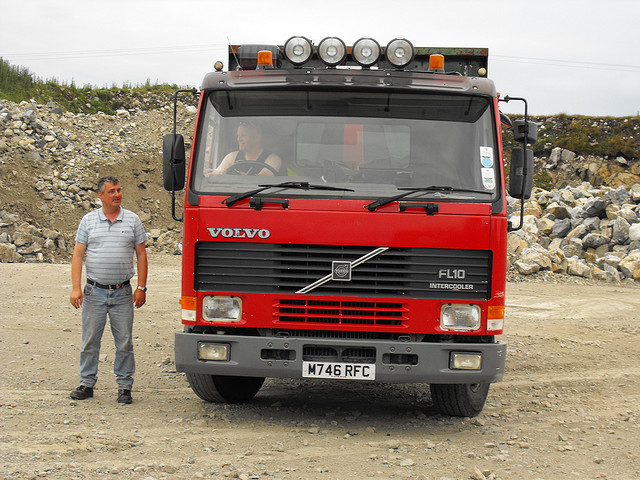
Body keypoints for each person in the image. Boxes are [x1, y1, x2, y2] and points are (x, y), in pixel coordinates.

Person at [69, 176, 148, 404]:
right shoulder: (88, 221)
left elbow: (141, 254)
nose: (117, 194)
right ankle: (86, 383)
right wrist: (76, 288)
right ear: (100, 196)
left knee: (124, 341)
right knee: (90, 340)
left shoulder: (132, 220)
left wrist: (141, 287)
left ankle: (124, 387)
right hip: (94, 292)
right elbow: (77, 255)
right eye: (112, 191)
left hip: (123, 293)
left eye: (119, 190)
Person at [212, 122, 283, 176]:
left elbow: (263, 179)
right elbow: (215, 175)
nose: (239, 139)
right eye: (238, 135)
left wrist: (236, 176)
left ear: (257, 137)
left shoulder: (273, 159)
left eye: (243, 135)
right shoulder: (232, 156)